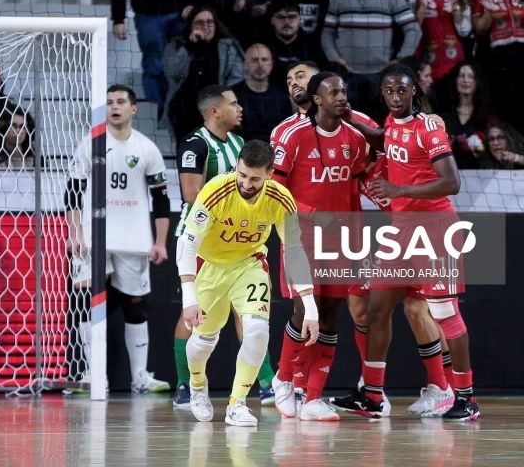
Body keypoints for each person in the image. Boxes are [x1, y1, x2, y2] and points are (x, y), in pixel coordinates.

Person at [334, 63, 479, 421]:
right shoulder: (391, 123)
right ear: (383, 94)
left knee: (445, 314)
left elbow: (451, 182)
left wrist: (400, 189)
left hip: (435, 230)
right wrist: (348, 114)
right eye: (389, 91)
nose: (396, 97)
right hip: (400, 233)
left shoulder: (430, 126)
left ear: (414, 90)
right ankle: (372, 394)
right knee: (377, 308)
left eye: (402, 90)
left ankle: (465, 396)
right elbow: (384, 139)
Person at [177, 139, 319, 426]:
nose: (246, 183)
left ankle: (237, 403)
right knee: (203, 341)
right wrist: (188, 298)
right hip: (210, 266)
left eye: (255, 178)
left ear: (269, 174)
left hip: (249, 264)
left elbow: (293, 251)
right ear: (237, 168)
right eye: (242, 175)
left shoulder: (281, 199)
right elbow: (188, 244)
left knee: (256, 331)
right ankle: (197, 385)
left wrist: (310, 307)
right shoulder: (216, 189)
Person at [268, 72, 370, 421]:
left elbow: (356, 187)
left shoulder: (355, 138)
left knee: (329, 315)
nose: (342, 97)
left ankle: (313, 398)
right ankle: (283, 380)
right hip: (300, 237)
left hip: (340, 241)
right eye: (334, 92)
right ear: (317, 100)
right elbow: (274, 193)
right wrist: (317, 215)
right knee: (302, 311)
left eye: (344, 91)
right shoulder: (291, 136)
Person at [172, 85, 277, 409]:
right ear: (215, 110)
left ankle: (266, 383)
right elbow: (191, 194)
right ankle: (185, 385)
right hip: (201, 240)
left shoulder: (238, 143)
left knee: (248, 310)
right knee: (194, 313)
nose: (239, 107)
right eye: (233, 103)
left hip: (237, 238)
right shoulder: (195, 144)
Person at [65, 84, 172, 393]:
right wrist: (75, 235)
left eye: (121, 101)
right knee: (85, 303)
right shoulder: (90, 143)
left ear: (133, 108)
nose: (115, 106)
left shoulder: (146, 148)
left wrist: (160, 242)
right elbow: (72, 191)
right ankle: (90, 374)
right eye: (109, 101)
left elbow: (161, 200)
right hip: (91, 241)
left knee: (136, 308)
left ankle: (140, 377)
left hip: (134, 241)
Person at [322, 0, 422, 120]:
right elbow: (327, 33)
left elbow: (413, 30)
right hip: (347, 76)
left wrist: (399, 59)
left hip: (380, 76)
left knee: (378, 122)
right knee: (348, 122)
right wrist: (335, 59)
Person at [111, 0, 203, 116]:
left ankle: (179, 111)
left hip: (180, 15)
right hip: (148, 16)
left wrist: (193, 5)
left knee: (182, 66)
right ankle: (157, 113)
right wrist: (118, 18)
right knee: (154, 66)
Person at [161, 6, 244, 145]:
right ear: (191, 25)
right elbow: (173, 72)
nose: (205, 26)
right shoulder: (177, 45)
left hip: (218, 110)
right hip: (184, 110)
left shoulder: (229, 46)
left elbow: (238, 77)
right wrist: (189, 46)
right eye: (199, 22)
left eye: (210, 22)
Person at [470, 0, 524, 127]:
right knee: (504, 107)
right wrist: (489, 13)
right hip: (496, 59)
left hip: (522, 55)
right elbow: (478, 29)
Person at [411, 0, 470, 87]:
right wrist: (423, 7)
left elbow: (464, 31)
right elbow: (413, 31)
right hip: (428, 65)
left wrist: (455, 5)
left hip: (455, 61)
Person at [230, 44, 292, 142]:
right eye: (255, 60)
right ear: (245, 64)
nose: (260, 64)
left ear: (271, 65)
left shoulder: (282, 98)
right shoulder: (231, 96)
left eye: (264, 60)